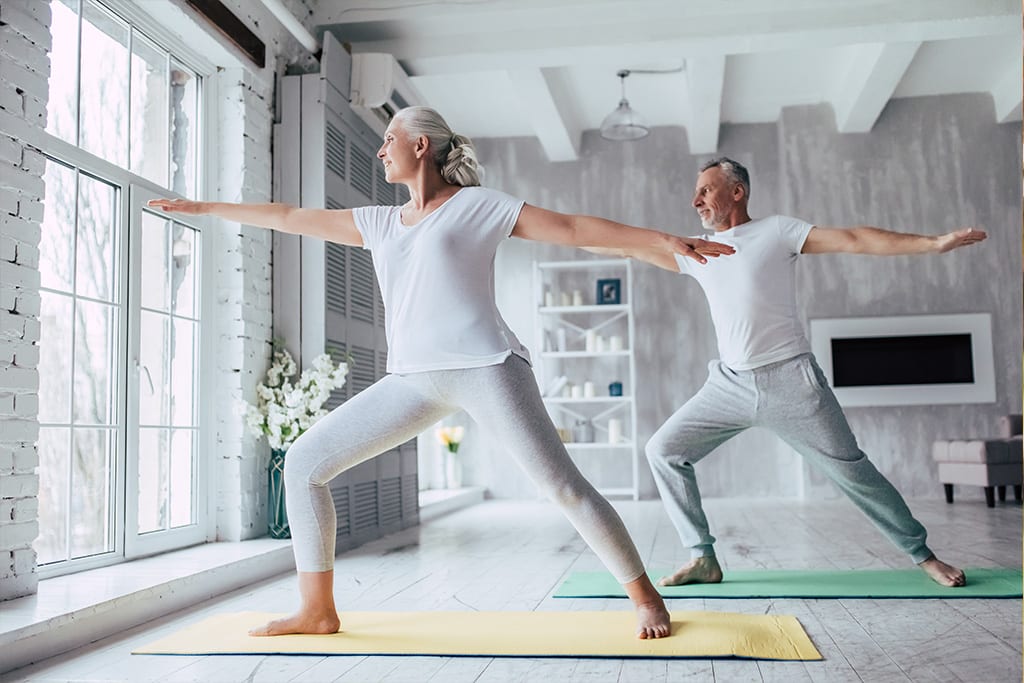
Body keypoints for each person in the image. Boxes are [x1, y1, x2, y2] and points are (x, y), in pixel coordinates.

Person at [148, 106, 735, 639]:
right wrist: (203, 208)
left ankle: (645, 598)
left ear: (421, 145)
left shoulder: (478, 206)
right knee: (304, 463)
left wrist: (666, 242)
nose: (381, 151)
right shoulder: (379, 223)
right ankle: (317, 610)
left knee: (562, 487)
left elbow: (575, 229)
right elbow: (289, 216)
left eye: (388, 140)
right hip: (413, 381)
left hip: (488, 367)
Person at [605, 157, 984, 589]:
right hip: (728, 385)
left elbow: (855, 239)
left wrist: (934, 244)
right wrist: (559, 235)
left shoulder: (776, 232)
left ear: (737, 191)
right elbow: (621, 246)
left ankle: (924, 556)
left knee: (854, 472)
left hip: (792, 381)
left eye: (706, 190)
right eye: (696, 193)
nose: (696, 201)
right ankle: (702, 558)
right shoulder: (696, 251)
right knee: (663, 450)